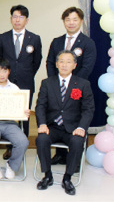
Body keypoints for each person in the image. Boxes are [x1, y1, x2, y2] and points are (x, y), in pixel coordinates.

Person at [35, 51, 94, 196]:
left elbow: (88, 109)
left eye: (68, 62)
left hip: (73, 128)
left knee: (77, 141)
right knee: (41, 139)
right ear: (56, 64)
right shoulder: (47, 83)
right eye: (61, 61)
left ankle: (67, 178)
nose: (64, 65)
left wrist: (81, 127)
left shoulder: (83, 84)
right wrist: (42, 124)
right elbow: (40, 106)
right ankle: (47, 175)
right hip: (53, 127)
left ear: (74, 65)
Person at [0, 4, 43, 159]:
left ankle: (22, 146)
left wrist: (25, 73)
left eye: (21, 17)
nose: (17, 20)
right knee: (6, 114)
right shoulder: (3, 37)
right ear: (11, 19)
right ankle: (9, 147)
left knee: (25, 115)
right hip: (5, 83)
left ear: (26, 20)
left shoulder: (34, 38)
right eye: (15, 16)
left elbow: (37, 61)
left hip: (26, 82)